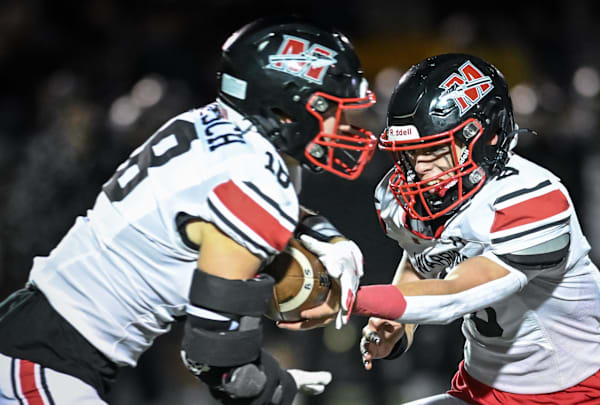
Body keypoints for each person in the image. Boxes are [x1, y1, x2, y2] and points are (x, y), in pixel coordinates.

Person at [0, 16, 376, 405]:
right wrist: (277, 387)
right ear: (285, 106)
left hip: (36, 337)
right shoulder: (256, 177)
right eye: (331, 107)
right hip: (47, 362)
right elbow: (216, 360)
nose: (343, 125)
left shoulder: (210, 127)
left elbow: (236, 202)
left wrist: (329, 238)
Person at [351, 54, 600, 404]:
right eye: (411, 153)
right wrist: (398, 323)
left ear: (484, 136)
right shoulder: (415, 194)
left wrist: (349, 298)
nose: (420, 169)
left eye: (435, 149)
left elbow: (458, 291)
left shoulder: (532, 198)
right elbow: (421, 259)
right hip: (479, 387)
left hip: (571, 394)